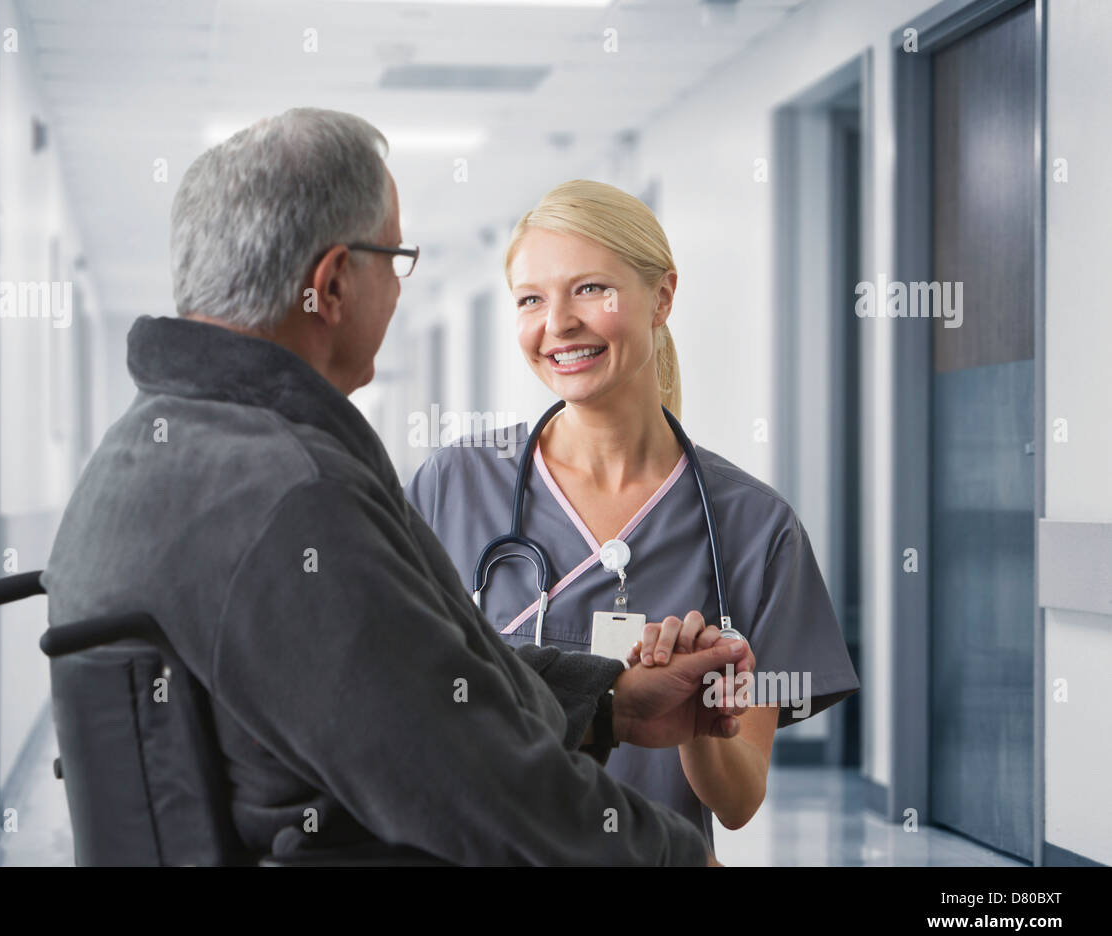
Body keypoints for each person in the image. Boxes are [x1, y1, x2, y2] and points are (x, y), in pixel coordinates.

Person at [43, 108, 755, 866]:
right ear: (334, 284)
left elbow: (424, 688)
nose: (399, 282)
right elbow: (484, 790)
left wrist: (606, 701)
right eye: (394, 256)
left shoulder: (148, 453)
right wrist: (677, 858)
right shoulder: (294, 498)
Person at [404, 179, 860, 852]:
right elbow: (399, 702)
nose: (557, 323)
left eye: (590, 289)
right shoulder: (454, 484)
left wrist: (704, 725)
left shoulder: (756, 529)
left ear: (662, 297)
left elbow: (738, 802)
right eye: (532, 299)